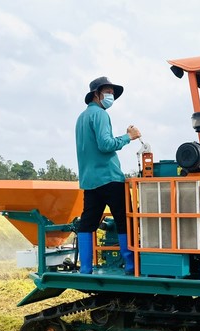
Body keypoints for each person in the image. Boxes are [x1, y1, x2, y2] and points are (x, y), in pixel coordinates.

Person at [75, 76, 141, 274]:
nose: (111, 96)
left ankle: (85, 268)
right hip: (110, 178)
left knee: (88, 222)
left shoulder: (81, 117)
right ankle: (130, 265)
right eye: (108, 92)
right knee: (124, 219)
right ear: (96, 94)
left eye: (113, 93)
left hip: (90, 180)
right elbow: (105, 145)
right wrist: (128, 137)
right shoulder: (101, 115)